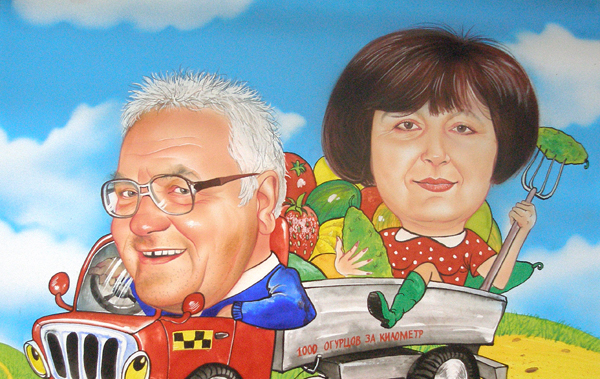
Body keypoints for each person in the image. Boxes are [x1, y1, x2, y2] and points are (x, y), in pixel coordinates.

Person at [322, 27, 538, 329]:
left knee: (425, 270)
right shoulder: (385, 241)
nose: (436, 154)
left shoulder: (469, 246)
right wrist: (344, 267)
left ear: (500, 149)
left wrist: (521, 231)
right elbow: (368, 275)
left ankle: (394, 313)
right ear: (365, 144)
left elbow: (498, 278)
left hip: (445, 322)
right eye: (407, 125)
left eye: (462, 128)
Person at [98, 71, 315, 329]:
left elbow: (297, 308)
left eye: (180, 190)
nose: (141, 224)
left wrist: (236, 311)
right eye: (128, 193)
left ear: (261, 202)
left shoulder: (275, 284)